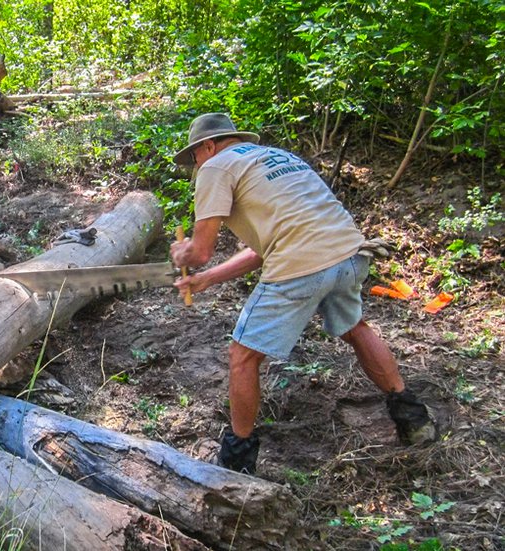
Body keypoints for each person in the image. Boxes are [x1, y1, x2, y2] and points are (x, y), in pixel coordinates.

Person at [169, 113, 437, 475]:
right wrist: (207, 279)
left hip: (303, 266)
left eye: (195, 158)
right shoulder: (278, 158)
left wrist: (183, 255)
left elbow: (199, 252)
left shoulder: (216, 167)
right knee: (355, 328)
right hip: (350, 255)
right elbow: (267, 249)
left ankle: (237, 460)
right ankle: (414, 419)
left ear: (208, 146)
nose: (196, 167)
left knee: (242, 356)